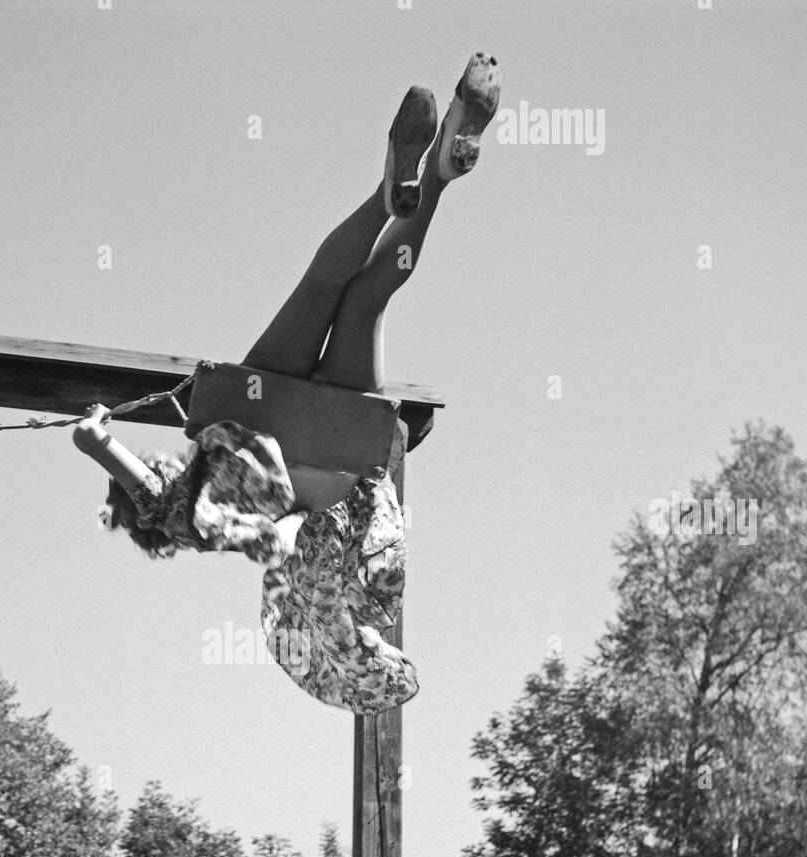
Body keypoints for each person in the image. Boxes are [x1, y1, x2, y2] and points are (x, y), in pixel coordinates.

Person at [73, 53, 500, 714]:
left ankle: (438, 175)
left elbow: (372, 576)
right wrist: (96, 443)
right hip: (262, 415)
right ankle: (391, 193)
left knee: (367, 302)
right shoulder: (189, 507)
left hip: (338, 450)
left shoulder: (316, 587)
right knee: (325, 288)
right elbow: (147, 493)